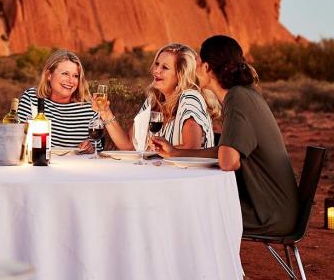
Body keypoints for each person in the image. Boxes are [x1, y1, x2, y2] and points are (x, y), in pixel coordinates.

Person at [152, 35, 299, 236]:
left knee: (181, 210)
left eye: (198, 64)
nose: (196, 70)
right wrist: (176, 153)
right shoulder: (243, 94)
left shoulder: (237, 99)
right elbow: (226, 152)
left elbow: (229, 161)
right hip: (274, 209)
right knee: (185, 205)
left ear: (207, 68)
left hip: (266, 214)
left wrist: (182, 153)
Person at [17, 50, 127, 152]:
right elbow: (18, 140)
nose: (71, 81)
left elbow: (96, 148)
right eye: (65, 73)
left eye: (75, 76)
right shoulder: (32, 98)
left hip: (77, 166)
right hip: (39, 164)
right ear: (49, 75)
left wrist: (90, 148)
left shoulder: (88, 107)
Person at [114, 43, 218, 150]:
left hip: (187, 162)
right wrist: (106, 113)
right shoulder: (153, 101)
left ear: (181, 75)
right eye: (157, 64)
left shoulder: (190, 98)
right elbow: (129, 145)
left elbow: (192, 148)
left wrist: (156, 151)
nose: (156, 70)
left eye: (165, 67)